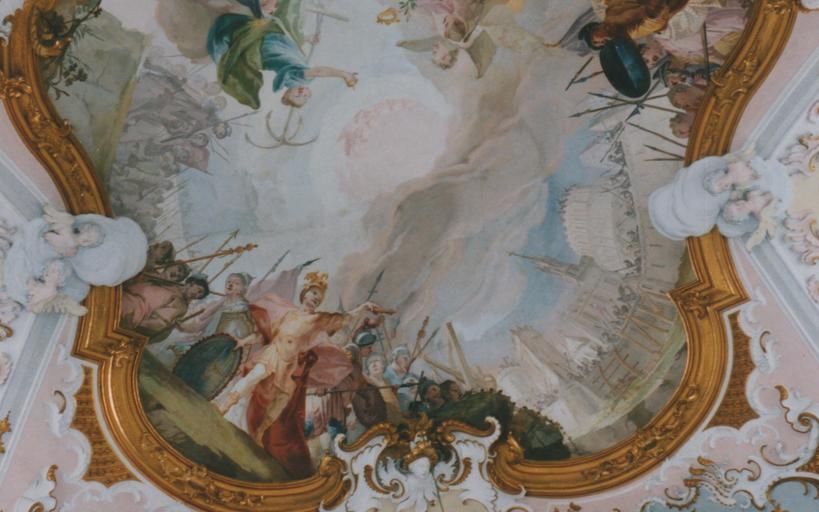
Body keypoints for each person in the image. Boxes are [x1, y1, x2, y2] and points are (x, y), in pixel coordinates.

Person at [215, 272, 387, 471]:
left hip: (289, 365)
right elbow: (264, 335)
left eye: (319, 297)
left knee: (280, 401)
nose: (315, 298)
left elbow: (345, 319)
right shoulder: (288, 314)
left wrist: (363, 307)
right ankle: (225, 406)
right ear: (304, 294)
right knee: (254, 376)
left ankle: (259, 434)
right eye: (313, 293)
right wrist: (243, 341)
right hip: (274, 352)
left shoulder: (318, 319)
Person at [206, 0, 358, 110]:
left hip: (267, 44)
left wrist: (344, 74)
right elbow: (288, 48)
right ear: (310, 93)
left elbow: (319, 71)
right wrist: (307, 38)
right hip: (274, 43)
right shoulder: (295, 76)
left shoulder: (297, 78)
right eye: (305, 96)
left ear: (287, 94)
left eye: (296, 96)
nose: (301, 93)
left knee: (286, 10)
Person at [120, 275, 210, 340]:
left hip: (131, 312)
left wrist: (134, 332)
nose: (197, 295)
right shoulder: (169, 283)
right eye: (199, 291)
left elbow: (158, 323)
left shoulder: (180, 305)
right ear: (192, 283)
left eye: (199, 296)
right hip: (124, 294)